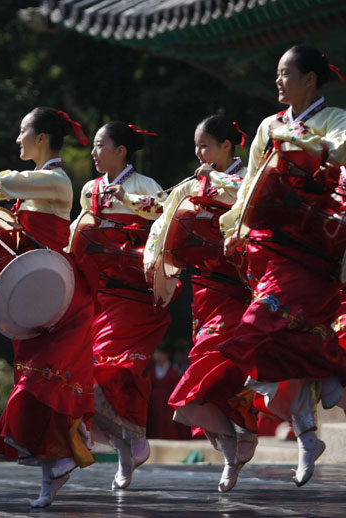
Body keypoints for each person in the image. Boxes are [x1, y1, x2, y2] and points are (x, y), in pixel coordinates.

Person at [219, 45, 346, 487]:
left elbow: (342, 150)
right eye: (276, 74)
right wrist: (232, 226)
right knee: (273, 342)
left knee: (262, 329)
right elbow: (250, 184)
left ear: (309, 79)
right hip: (272, 245)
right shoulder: (269, 126)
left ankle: (327, 379)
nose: (277, 81)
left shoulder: (335, 120)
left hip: (314, 247)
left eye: (285, 73)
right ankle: (311, 427)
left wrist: (306, 143)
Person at [0, 107, 95, 508]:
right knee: (34, 388)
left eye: (22, 132)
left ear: (42, 138)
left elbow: (5, 183)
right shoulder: (39, 183)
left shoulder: (56, 181)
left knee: (40, 387)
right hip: (36, 301)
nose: (17, 139)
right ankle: (52, 476)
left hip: (61, 303)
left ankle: (63, 458)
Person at [144, 114, 257, 492]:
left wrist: (207, 183)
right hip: (204, 292)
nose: (198, 153)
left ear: (227, 146)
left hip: (240, 289)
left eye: (205, 145)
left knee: (210, 375)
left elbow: (245, 199)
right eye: (197, 146)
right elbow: (164, 221)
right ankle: (233, 451)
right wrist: (154, 263)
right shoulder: (195, 183)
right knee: (195, 393)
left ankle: (244, 439)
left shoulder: (247, 179)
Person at [71, 120, 167, 489]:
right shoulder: (89, 189)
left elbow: (162, 224)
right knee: (100, 373)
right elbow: (79, 232)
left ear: (121, 151)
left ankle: (132, 446)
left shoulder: (146, 187)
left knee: (122, 370)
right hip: (102, 296)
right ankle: (129, 451)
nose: (94, 153)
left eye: (99, 145)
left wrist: (127, 202)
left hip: (137, 296)